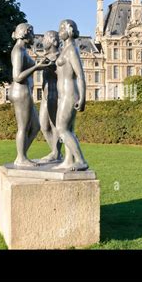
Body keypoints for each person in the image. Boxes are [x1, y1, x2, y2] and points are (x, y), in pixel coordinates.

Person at [9, 23, 51, 167]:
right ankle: (21, 158)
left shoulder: (23, 50)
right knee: (23, 127)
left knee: (36, 126)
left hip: (25, 92)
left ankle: (21, 156)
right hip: (21, 92)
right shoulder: (18, 51)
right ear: (26, 34)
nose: (34, 37)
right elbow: (17, 76)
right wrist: (37, 67)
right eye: (32, 34)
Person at [54, 19, 88, 171]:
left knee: (61, 128)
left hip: (70, 94)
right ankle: (68, 160)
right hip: (63, 94)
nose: (59, 30)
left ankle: (81, 160)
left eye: (62, 27)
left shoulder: (72, 50)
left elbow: (80, 75)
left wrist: (83, 97)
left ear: (69, 30)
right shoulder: (65, 49)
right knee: (68, 130)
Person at [39, 30, 62, 162]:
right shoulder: (46, 57)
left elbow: (66, 76)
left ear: (53, 41)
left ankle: (56, 153)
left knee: (55, 126)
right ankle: (55, 152)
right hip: (46, 96)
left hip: (55, 94)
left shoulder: (59, 57)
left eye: (45, 39)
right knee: (44, 126)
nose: (42, 41)